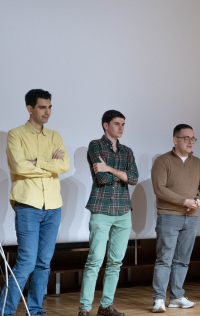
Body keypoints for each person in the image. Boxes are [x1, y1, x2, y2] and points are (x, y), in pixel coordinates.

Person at [0, 89, 70, 316]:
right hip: (28, 205)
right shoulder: (15, 134)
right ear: (30, 109)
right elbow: (19, 167)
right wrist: (50, 164)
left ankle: (36, 311)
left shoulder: (55, 136)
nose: (47, 111)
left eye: (50, 107)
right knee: (27, 262)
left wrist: (37, 162)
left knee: (44, 264)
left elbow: (65, 165)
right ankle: (4, 311)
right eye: (42, 107)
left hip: (53, 206)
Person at [79, 110, 139, 316]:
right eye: (116, 124)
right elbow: (101, 179)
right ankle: (84, 308)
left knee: (116, 261)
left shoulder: (127, 151)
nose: (121, 127)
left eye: (123, 124)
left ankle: (105, 306)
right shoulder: (95, 145)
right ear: (106, 125)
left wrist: (110, 169)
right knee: (95, 259)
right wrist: (121, 174)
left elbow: (133, 178)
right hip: (102, 208)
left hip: (123, 210)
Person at [151, 124, 200, 312]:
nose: (190, 142)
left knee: (183, 259)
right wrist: (184, 201)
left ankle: (177, 296)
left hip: (191, 217)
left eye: (193, 138)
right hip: (169, 216)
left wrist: (199, 200)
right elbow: (160, 189)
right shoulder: (162, 161)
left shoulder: (198, 162)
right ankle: (159, 298)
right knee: (165, 258)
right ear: (175, 139)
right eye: (186, 138)